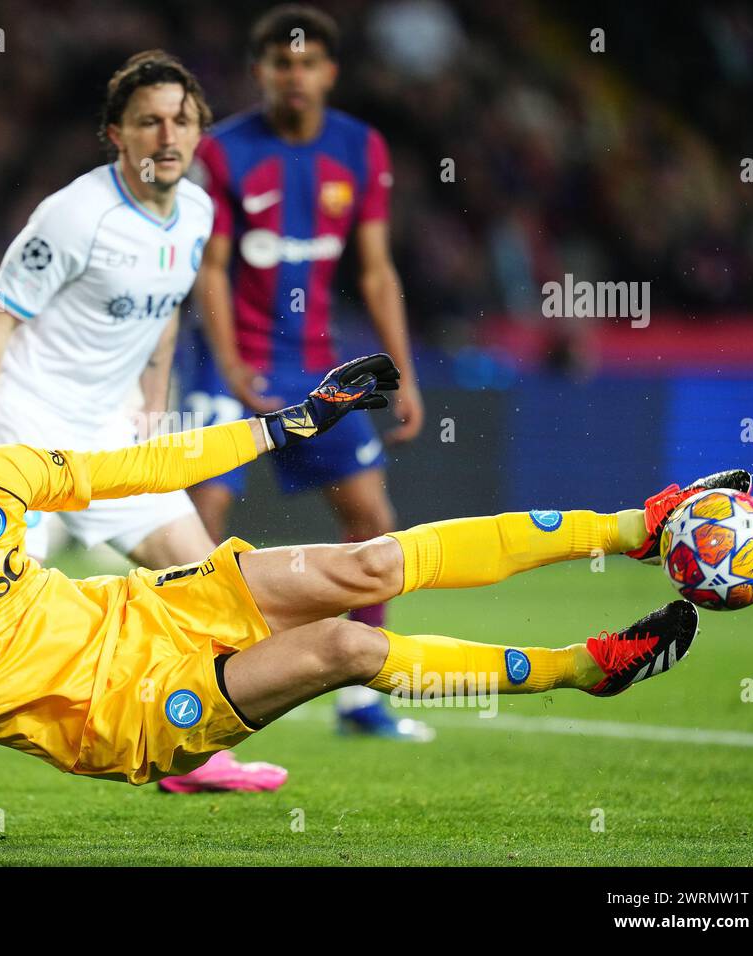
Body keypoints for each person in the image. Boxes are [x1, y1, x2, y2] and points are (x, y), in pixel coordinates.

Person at [0, 343, 747, 829]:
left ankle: (638, 524)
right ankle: (584, 667)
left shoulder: (1, 479)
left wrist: (288, 421)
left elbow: (143, 467)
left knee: (367, 564)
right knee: (346, 647)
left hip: (156, 607)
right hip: (130, 715)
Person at [0, 50, 287, 802]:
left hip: (105, 435)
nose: (167, 134)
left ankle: (193, 749)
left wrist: (150, 402)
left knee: (210, 582)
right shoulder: (76, 214)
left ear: (200, 129)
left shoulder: (201, 212)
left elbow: (164, 317)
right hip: (23, 428)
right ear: (117, 134)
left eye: (181, 119)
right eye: (149, 121)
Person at [186, 4, 428, 738]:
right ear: (260, 71)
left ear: (330, 72)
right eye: (281, 64)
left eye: (308, 63)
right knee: (201, 523)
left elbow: (378, 271)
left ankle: (358, 696)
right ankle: (189, 683)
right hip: (227, 363)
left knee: (372, 524)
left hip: (315, 365)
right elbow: (213, 269)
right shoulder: (222, 153)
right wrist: (228, 364)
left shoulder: (361, 149)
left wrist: (404, 375)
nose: (295, 76)